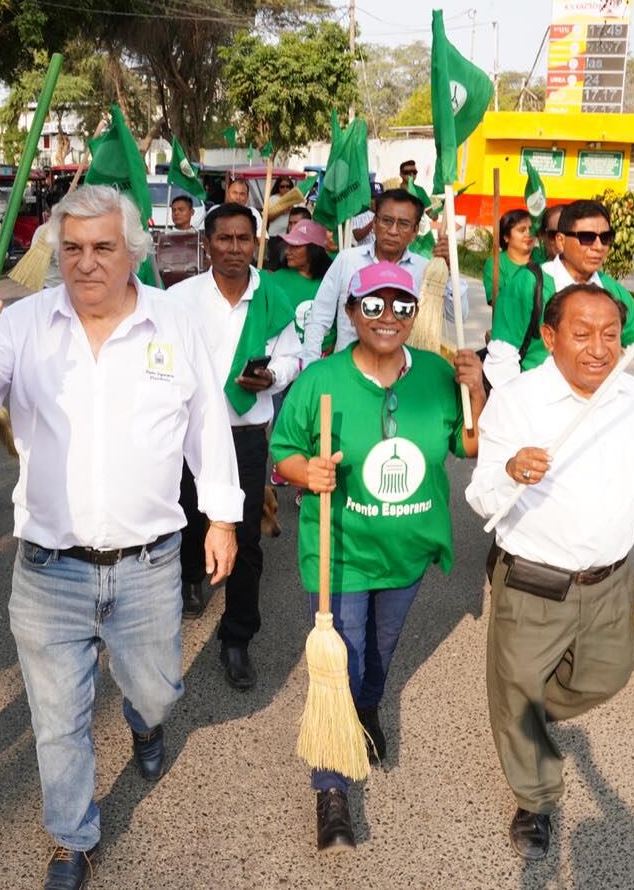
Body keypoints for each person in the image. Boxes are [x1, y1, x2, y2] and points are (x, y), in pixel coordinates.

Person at [0, 184, 240, 890]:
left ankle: (146, 722)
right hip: (51, 566)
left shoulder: (174, 323)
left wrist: (224, 517)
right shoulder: (20, 327)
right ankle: (72, 838)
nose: (85, 263)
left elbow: (208, 424)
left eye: (102, 247)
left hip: (149, 564)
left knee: (160, 688)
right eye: (72, 248)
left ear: (133, 250)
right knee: (58, 722)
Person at [271, 261, 486, 852]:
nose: (387, 317)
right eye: (373, 305)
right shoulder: (321, 380)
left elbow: (467, 444)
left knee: (379, 654)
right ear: (351, 312)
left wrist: (476, 390)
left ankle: (365, 711)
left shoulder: (440, 375)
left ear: (415, 314)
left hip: (407, 550)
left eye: (400, 306)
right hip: (339, 551)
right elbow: (284, 448)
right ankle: (331, 788)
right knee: (341, 658)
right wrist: (303, 472)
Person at [467, 283, 634, 861]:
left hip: (611, 581)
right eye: (581, 334)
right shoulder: (518, 402)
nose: (598, 349)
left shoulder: (633, 401)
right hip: (534, 584)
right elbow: (482, 498)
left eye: (610, 334)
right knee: (516, 693)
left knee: (608, 676)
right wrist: (512, 470)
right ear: (549, 337)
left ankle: (527, 712)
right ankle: (535, 798)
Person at [168, 202, 302, 688]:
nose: (234, 248)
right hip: (186, 436)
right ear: (207, 243)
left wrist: (271, 377)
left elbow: (293, 358)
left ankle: (237, 639)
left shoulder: (273, 298)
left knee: (244, 540)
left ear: (256, 243)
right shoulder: (178, 299)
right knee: (185, 523)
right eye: (224, 239)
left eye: (243, 239)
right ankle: (189, 580)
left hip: (244, 434)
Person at [483, 199, 634, 388]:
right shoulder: (529, 284)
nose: (598, 246)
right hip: (539, 403)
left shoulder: (612, 290)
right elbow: (501, 361)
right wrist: (522, 407)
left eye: (605, 237)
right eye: (587, 237)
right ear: (560, 241)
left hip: (595, 405)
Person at [299, 187, 466, 366]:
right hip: (349, 375)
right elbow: (318, 320)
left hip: (403, 378)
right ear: (375, 222)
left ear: (415, 231)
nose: (393, 231)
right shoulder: (347, 260)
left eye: (403, 224)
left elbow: (457, 315)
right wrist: (311, 368)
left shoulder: (425, 270)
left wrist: (450, 273)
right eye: (386, 220)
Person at [264, 219, 335, 355]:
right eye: (288, 245)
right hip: (284, 362)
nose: (288, 251)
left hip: (321, 365)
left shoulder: (331, 283)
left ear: (313, 250)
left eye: (295, 246)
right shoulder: (274, 280)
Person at [482, 208, 545, 306]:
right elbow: (496, 300)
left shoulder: (542, 256)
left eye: (531, 229)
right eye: (522, 230)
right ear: (506, 237)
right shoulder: (495, 263)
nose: (528, 234)